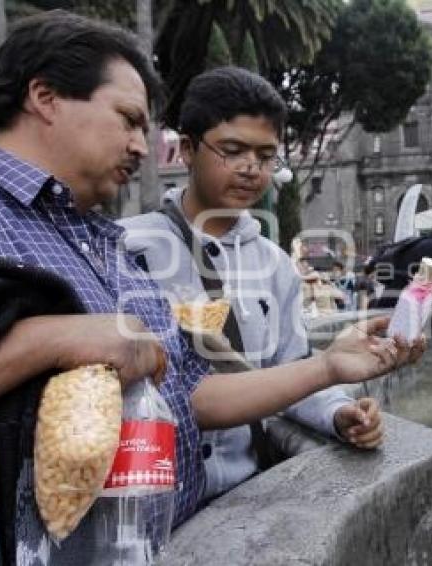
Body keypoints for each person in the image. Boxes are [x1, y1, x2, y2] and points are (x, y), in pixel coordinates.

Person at [0, 12, 421, 560]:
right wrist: (50, 341)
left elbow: (190, 395)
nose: (141, 146)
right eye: (129, 119)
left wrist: (329, 369)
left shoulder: (98, 240)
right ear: (44, 96)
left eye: (265, 156)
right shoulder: (21, 218)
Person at [120, 67, 391, 501]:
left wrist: (340, 412)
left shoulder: (275, 265)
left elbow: (291, 369)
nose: (251, 169)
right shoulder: (130, 247)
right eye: (232, 151)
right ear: (188, 149)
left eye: (266, 157)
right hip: (155, 497)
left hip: (243, 493)